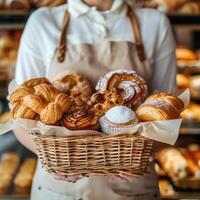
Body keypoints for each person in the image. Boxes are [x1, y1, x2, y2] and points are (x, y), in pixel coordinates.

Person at [14, 0, 176, 199]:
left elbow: (168, 116)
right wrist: (54, 159)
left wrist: (136, 157)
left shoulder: (154, 23)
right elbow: (21, 118)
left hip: (134, 189)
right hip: (58, 191)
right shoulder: (42, 22)